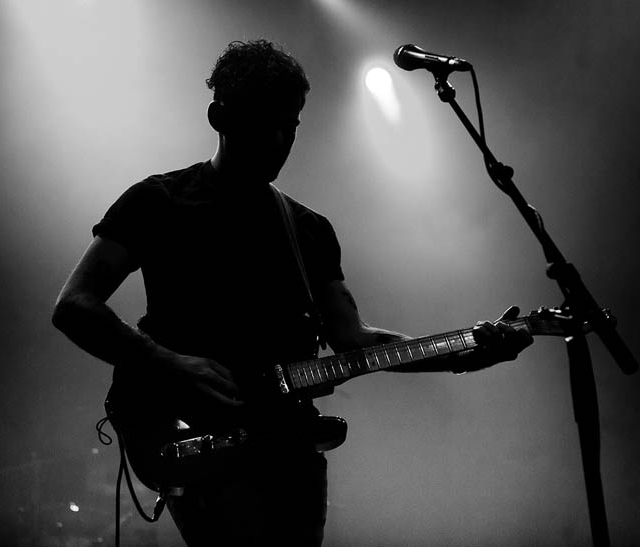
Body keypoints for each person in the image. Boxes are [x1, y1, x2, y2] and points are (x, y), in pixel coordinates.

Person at [52, 39, 533, 547]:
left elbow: (354, 340)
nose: (282, 139)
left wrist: (465, 352)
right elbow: (75, 304)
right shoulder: (158, 202)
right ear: (220, 116)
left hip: (289, 446)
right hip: (193, 435)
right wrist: (169, 363)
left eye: (293, 124)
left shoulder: (308, 230)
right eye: (267, 123)